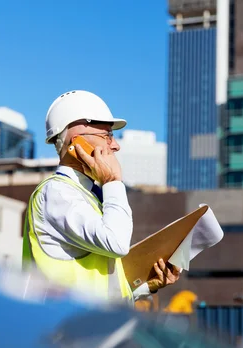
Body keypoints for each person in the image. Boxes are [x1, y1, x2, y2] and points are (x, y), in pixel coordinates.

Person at [22, 90, 180, 306]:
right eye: (107, 135)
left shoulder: (90, 197)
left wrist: (146, 285)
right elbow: (117, 243)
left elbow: (99, 290)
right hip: (63, 334)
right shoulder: (56, 193)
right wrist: (113, 180)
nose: (115, 145)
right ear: (77, 143)